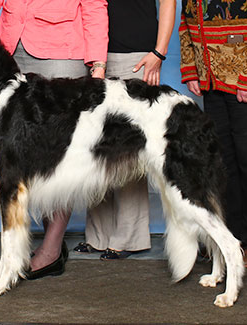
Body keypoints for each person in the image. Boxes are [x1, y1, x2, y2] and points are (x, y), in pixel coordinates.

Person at [0, 0, 108, 278]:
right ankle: (26, 245)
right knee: (21, 158)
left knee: (58, 155)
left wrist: (98, 66)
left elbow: (94, 6)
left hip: (61, 53)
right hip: (10, 50)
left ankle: (51, 248)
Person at [74, 0, 176, 260]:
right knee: (96, 147)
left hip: (135, 54)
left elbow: (168, 2)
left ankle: (129, 236)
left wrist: (159, 51)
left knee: (130, 149)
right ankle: (97, 234)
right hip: (94, 53)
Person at [179, 0, 247, 268]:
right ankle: (232, 240)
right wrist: (191, 68)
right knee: (223, 163)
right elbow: (187, 22)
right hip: (212, 81)